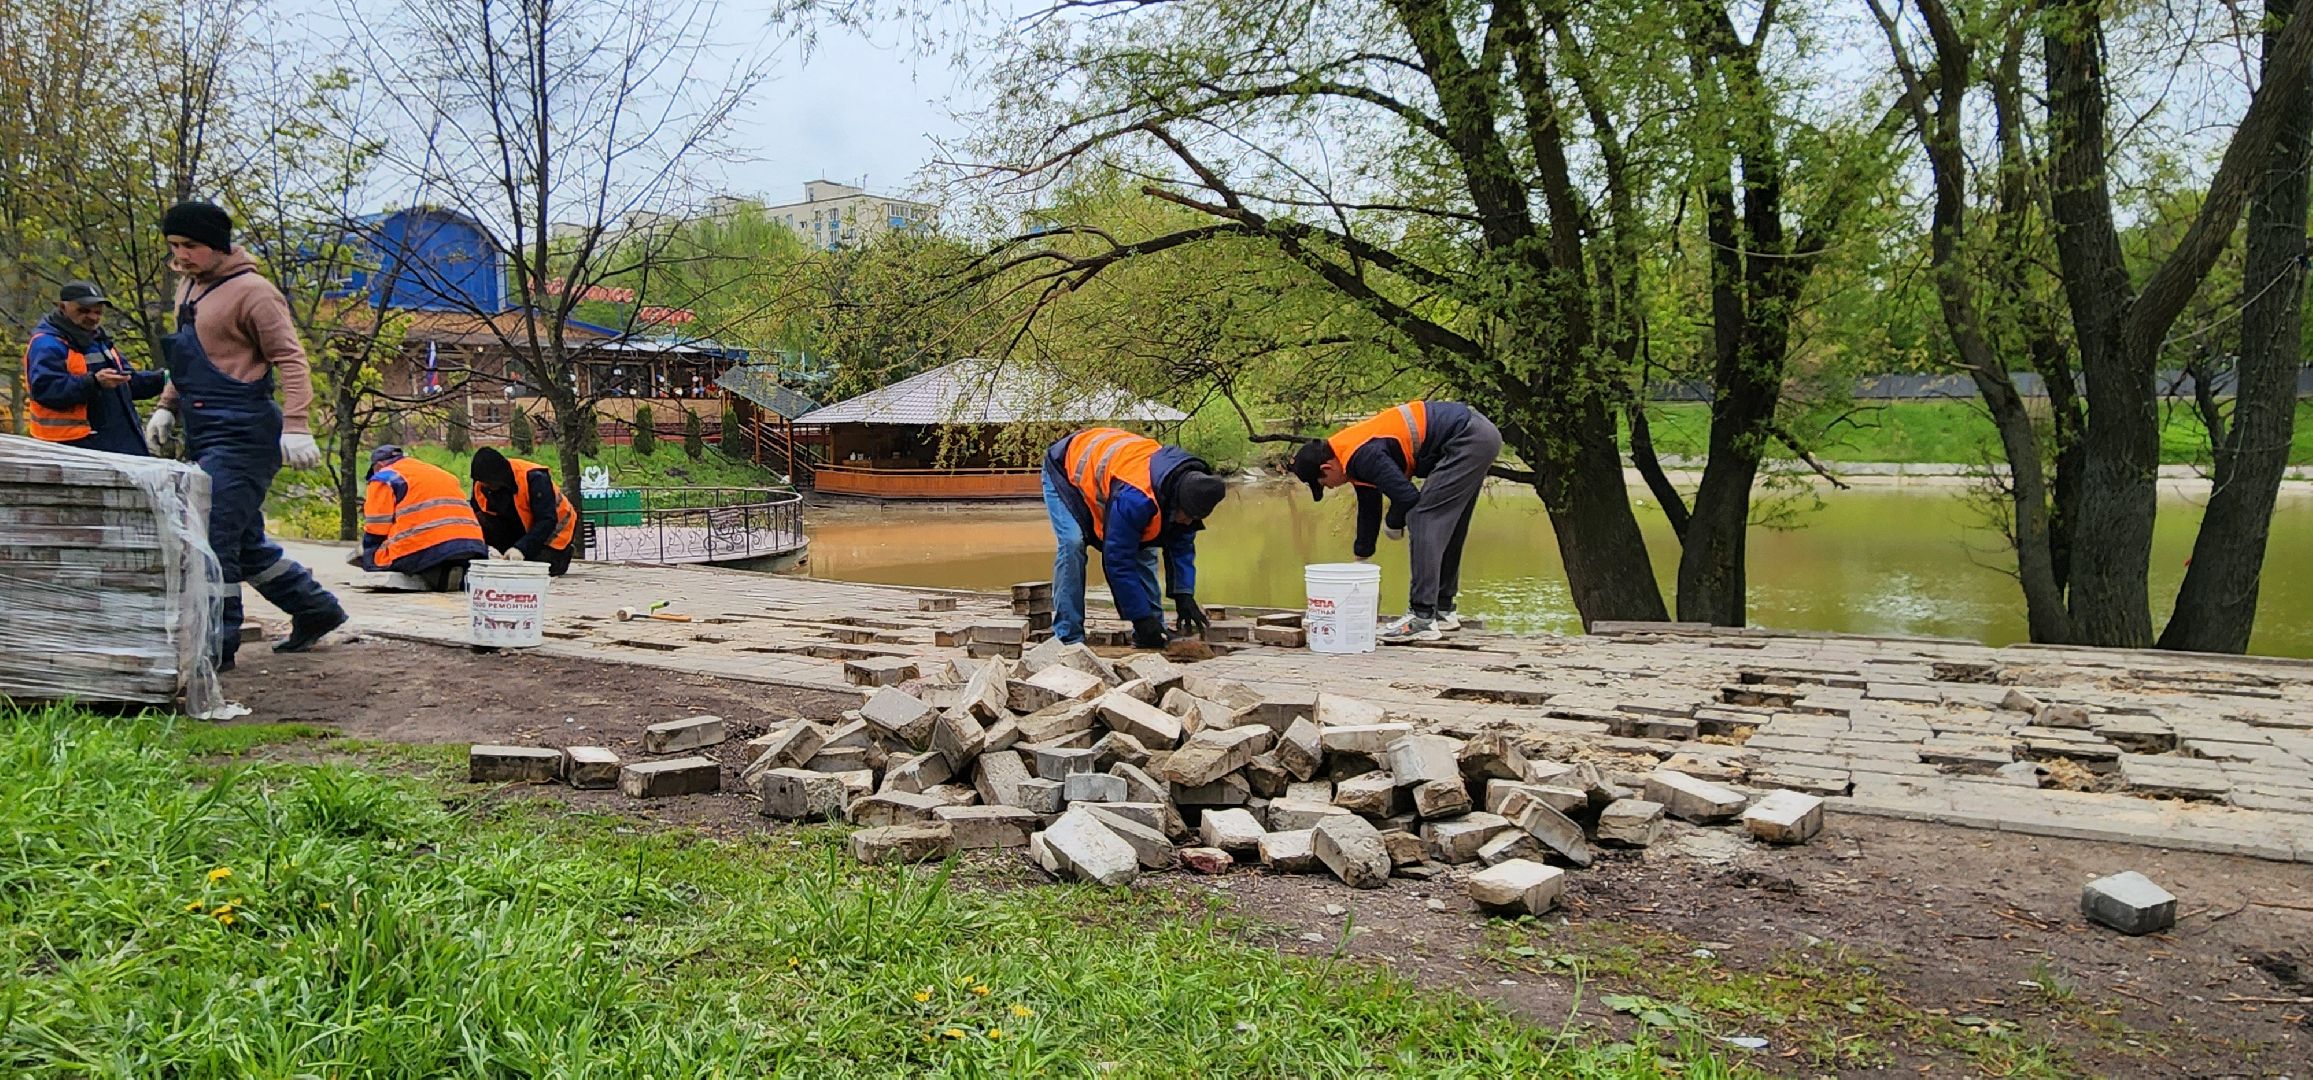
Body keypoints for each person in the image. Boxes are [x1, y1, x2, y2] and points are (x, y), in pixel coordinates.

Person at [143, 200, 345, 668]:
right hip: (202, 427)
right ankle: (315, 609)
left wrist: (297, 425)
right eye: (174, 245)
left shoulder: (254, 292)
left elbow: (291, 358)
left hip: (244, 431)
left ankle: (216, 647)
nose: (180, 255)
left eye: (190, 245)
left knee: (212, 536)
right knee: (244, 540)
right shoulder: (189, 288)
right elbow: (186, 358)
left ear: (217, 245)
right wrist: (166, 407)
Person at [1289, 400, 1503, 642]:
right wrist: (1361, 560)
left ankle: (1422, 617)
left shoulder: (1362, 455)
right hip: (1477, 435)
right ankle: (1443, 610)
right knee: (1448, 523)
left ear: (1327, 468)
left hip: (1467, 437)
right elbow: (1369, 508)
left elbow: (1408, 497)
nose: (1329, 488)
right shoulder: (1351, 455)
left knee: (1423, 517)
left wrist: (1393, 522)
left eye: (1323, 484)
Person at [1043, 427, 1228, 648]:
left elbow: (1181, 545)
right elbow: (1118, 560)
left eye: (1194, 518)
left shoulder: (1187, 488)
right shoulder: (1137, 497)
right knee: (1073, 543)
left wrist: (1184, 594)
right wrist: (1140, 619)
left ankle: (1154, 631)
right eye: (1187, 516)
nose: (1188, 521)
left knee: (1145, 547)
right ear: (1176, 503)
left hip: (1111, 473)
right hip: (1066, 470)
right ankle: (1069, 637)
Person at [23, 281, 165, 455]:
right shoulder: (47, 344)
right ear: (63, 307)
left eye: (97, 312)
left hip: (117, 443)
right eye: (83, 311)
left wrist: (165, 380)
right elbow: (46, 390)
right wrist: (94, 382)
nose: (92, 317)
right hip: (74, 449)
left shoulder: (98, 340)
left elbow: (127, 383)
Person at [356, 445, 489, 590]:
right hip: (472, 545)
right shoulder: (439, 473)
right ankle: (461, 576)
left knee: (374, 558)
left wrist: (369, 551)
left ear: (379, 466)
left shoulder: (383, 478)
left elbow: (377, 529)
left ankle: (440, 578)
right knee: (446, 556)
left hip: (428, 546)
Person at [468, 446, 577, 575]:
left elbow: (546, 520)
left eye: (489, 482)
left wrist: (521, 549)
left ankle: (562, 556)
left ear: (499, 477)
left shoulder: (535, 478)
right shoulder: (481, 485)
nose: (487, 486)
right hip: (520, 528)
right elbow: (474, 518)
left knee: (536, 569)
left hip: (553, 534)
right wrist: (486, 549)